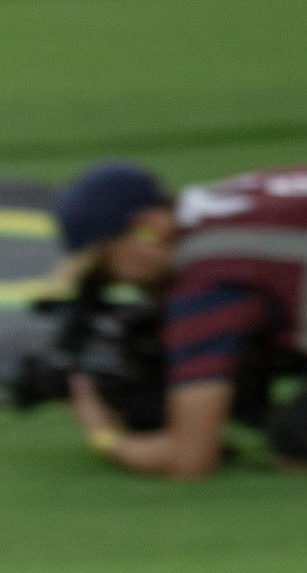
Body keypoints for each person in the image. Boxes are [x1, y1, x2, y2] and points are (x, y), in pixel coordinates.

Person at [51, 159, 307, 478]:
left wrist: (105, 435)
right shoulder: (229, 197)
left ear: (148, 228)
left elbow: (190, 460)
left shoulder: (205, 278)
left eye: (106, 267)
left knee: (296, 442)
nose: (116, 282)